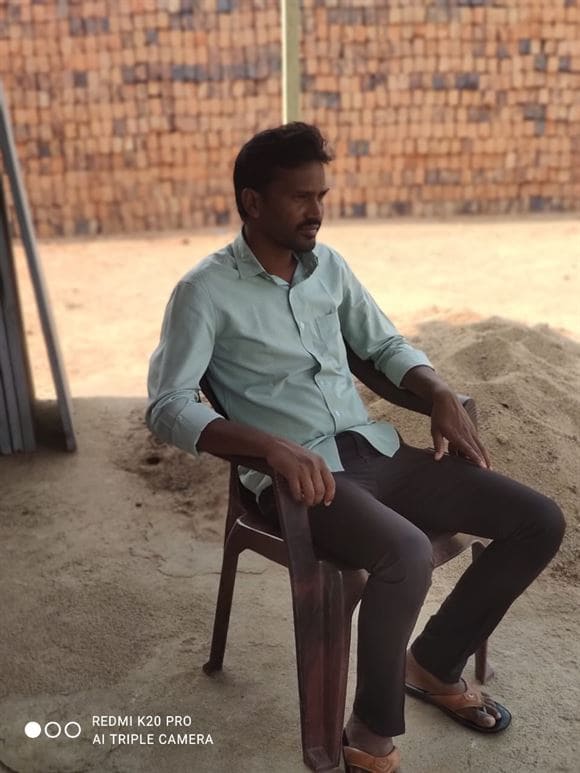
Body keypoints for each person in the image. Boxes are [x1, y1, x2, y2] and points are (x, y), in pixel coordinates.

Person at [146, 122, 565, 773]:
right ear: (253, 202)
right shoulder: (203, 292)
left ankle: (433, 663)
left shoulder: (330, 268)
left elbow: (384, 345)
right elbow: (167, 405)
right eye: (300, 197)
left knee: (538, 520)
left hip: (375, 451)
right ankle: (368, 733)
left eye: (322, 195)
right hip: (302, 481)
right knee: (405, 552)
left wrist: (439, 391)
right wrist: (270, 447)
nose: (316, 210)